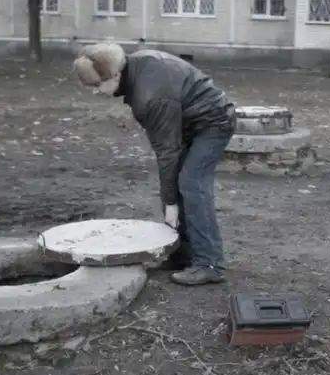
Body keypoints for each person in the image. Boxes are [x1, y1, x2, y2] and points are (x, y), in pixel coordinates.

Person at [72, 43, 236, 286]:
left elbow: (167, 152)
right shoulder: (136, 69)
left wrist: (170, 203)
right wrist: (169, 199)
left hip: (213, 122)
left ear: (115, 74)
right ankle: (182, 254)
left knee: (191, 183)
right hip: (187, 122)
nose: (95, 92)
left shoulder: (149, 96)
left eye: (97, 85)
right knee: (178, 182)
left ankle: (210, 263)